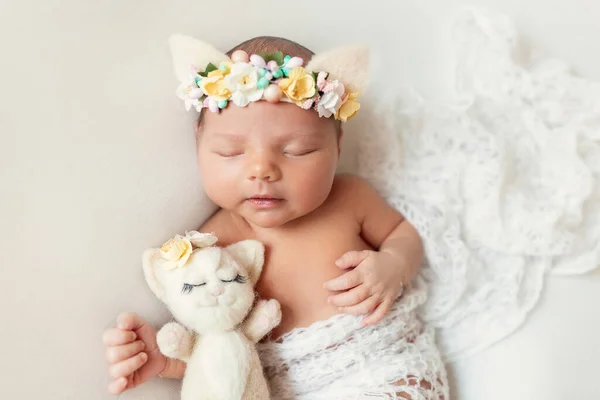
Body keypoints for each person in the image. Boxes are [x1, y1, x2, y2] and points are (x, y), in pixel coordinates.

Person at [102, 35, 448, 399]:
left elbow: (401, 233)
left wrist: (394, 264)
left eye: (297, 151)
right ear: (198, 143)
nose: (261, 171)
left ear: (337, 146)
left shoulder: (351, 198)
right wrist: (165, 359)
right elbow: (221, 350)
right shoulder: (211, 246)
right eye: (230, 152)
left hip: (383, 365)